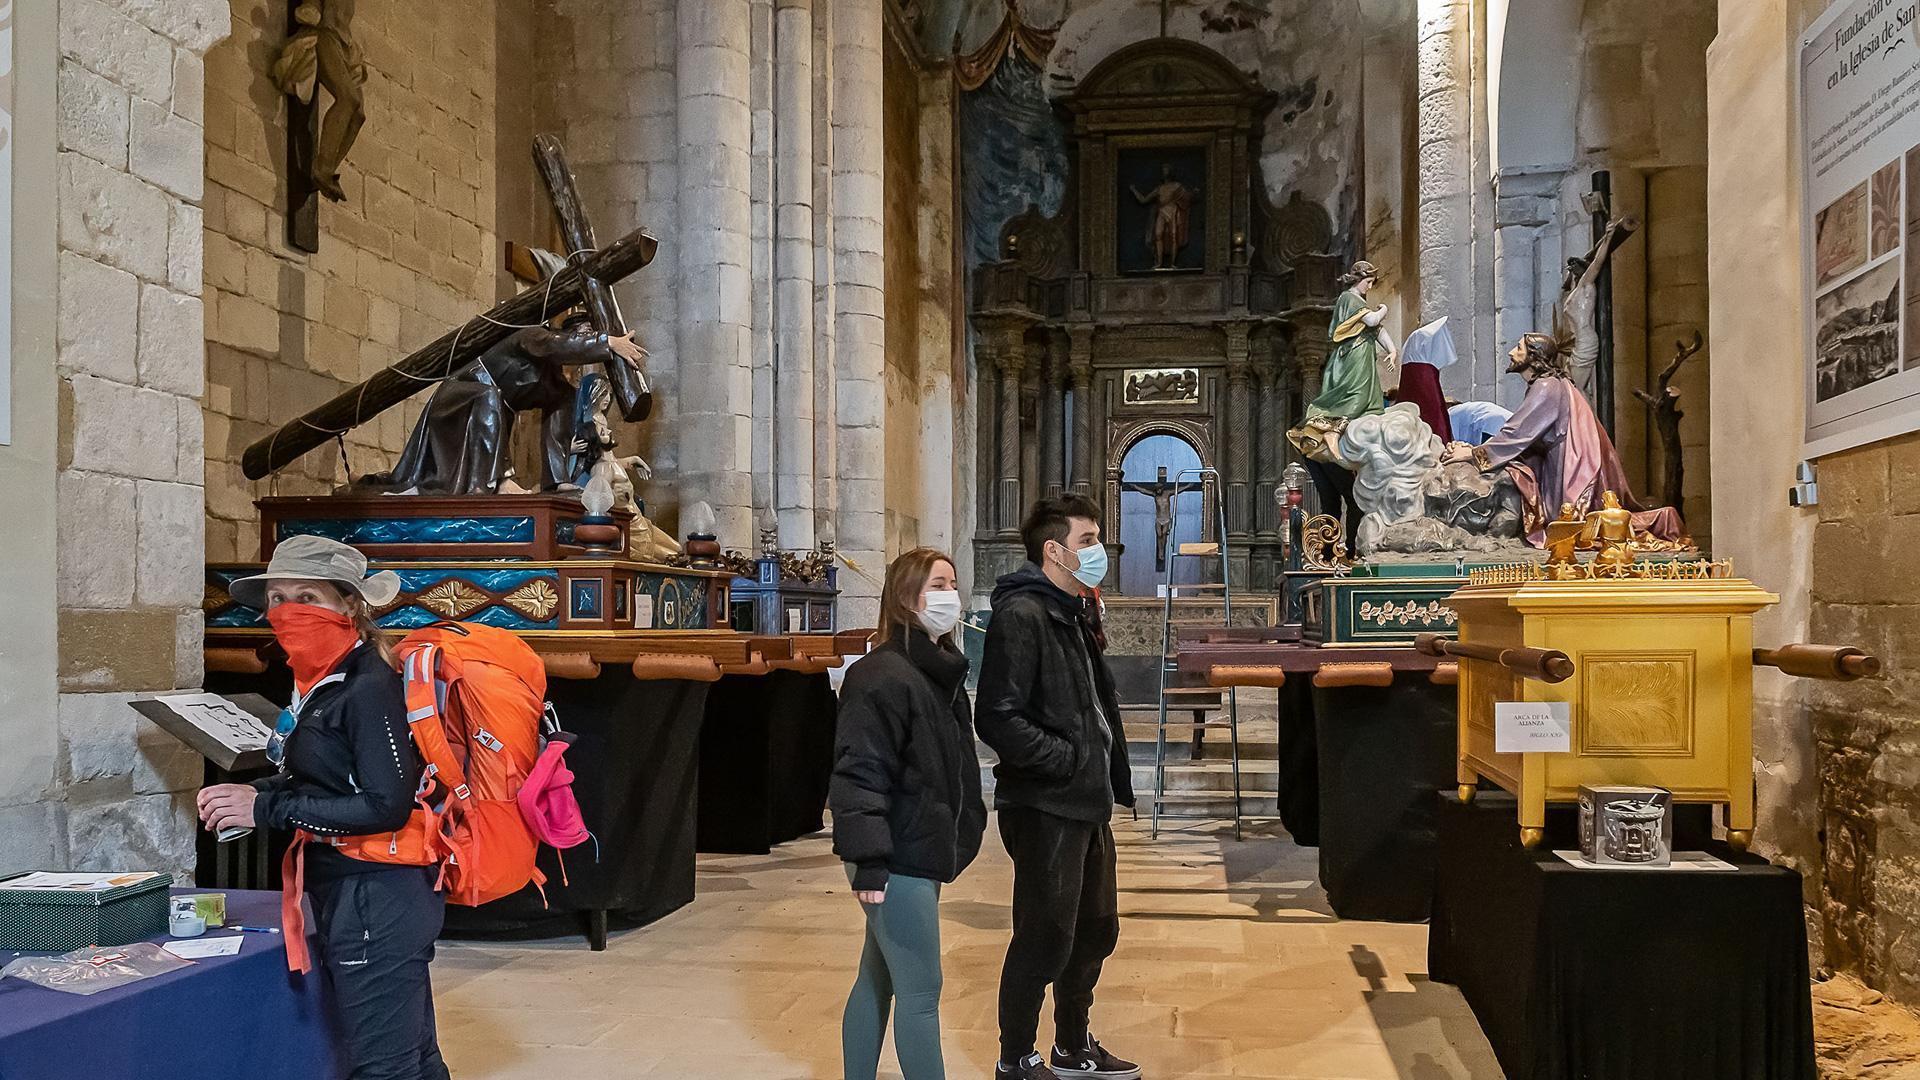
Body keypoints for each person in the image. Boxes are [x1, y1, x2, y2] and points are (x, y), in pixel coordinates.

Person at [196, 535, 450, 1080]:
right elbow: (325, 777)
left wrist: (266, 811)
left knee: (384, 1069)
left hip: (376, 897)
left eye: (308, 597)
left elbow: (384, 805)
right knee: (414, 1059)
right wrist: (260, 792)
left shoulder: (367, 686)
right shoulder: (323, 682)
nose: (289, 612)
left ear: (349, 606)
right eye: (278, 599)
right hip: (361, 893)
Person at [977, 495, 1141, 1080]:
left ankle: (1073, 1045)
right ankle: (1016, 1055)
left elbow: (1094, 706)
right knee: (1045, 936)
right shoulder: (1023, 614)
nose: (1099, 550)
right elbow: (997, 715)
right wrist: (1066, 760)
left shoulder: (1073, 609)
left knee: (1096, 930)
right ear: (1054, 549)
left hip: (1086, 801)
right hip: (1045, 802)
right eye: (1089, 540)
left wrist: (1099, 770)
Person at [831, 548, 988, 1080]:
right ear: (905, 598)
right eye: (938, 585)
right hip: (895, 854)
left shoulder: (934, 672)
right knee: (921, 993)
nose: (951, 595)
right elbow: (858, 774)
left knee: (877, 977)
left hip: (917, 844)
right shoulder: (880, 676)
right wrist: (869, 860)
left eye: (953, 583)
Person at [1440, 333, 1685, 545]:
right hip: (1559, 463)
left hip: (1571, 469)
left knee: (1572, 528)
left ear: (1534, 357)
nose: (1511, 352)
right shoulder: (1550, 384)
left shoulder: (1547, 386)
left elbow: (1516, 434)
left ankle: (1662, 519)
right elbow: (1523, 435)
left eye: (1519, 348)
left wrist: (1471, 455)